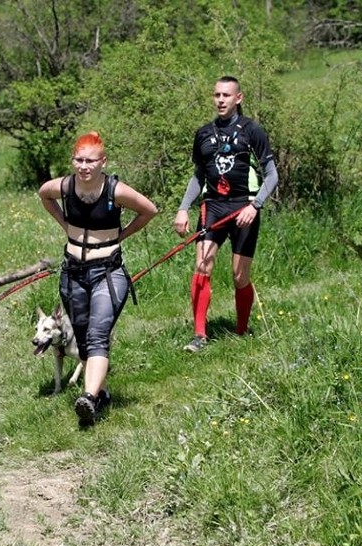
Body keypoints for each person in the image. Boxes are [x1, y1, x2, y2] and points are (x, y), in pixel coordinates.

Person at [39, 131, 158, 426]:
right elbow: (44, 193)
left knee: (97, 335)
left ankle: (88, 398)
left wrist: (122, 235)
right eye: (79, 160)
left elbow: (149, 210)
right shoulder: (65, 187)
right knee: (81, 337)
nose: (84, 166)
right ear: (73, 161)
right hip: (72, 273)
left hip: (108, 272)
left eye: (91, 161)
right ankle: (101, 394)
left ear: (103, 162)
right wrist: (64, 224)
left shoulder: (115, 190)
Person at [173, 76, 279, 352]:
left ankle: (242, 331)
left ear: (238, 98)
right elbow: (198, 175)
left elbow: (272, 174)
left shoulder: (251, 130)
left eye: (226, 95)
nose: (220, 100)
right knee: (202, 264)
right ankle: (199, 335)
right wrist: (183, 208)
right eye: (217, 95)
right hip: (213, 206)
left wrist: (255, 206)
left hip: (244, 206)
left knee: (239, 276)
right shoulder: (203, 134)